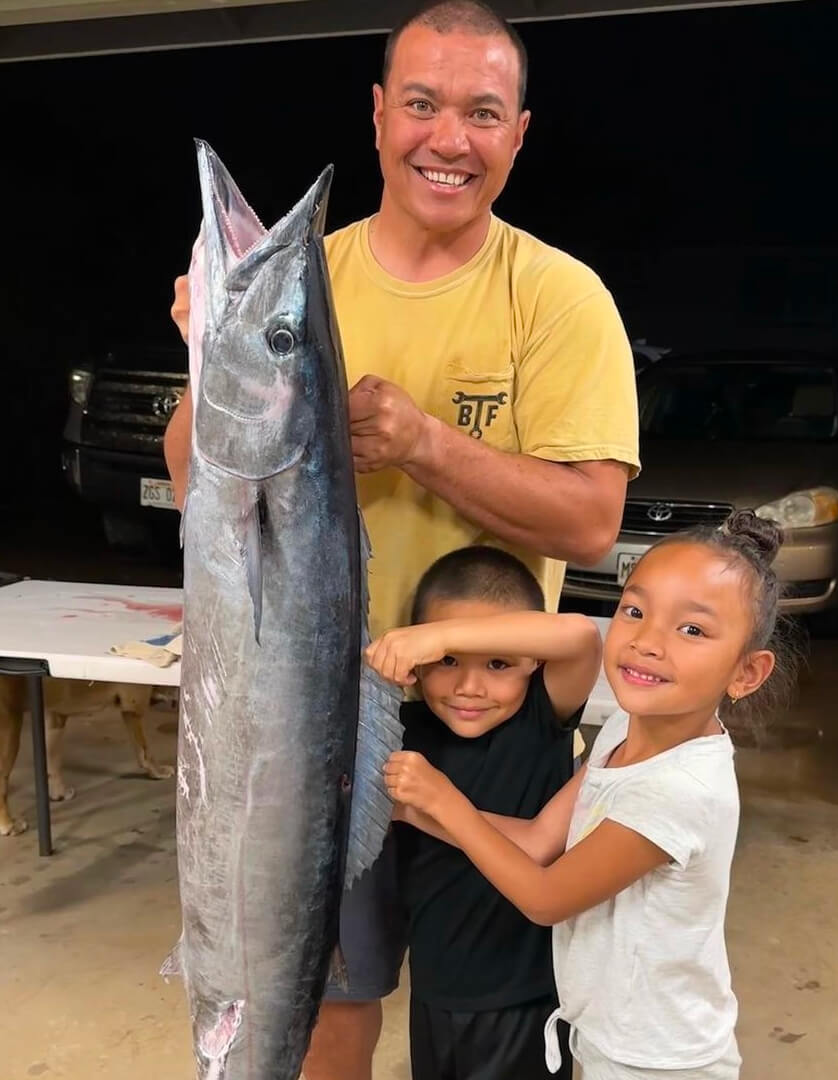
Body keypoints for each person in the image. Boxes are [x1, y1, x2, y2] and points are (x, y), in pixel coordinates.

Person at [163, 2, 640, 1076]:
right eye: (422, 103)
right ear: (379, 114)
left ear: (520, 132)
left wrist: (426, 445)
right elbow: (199, 480)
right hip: (308, 721)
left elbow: (592, 521)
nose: (449, 139)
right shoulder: (305, 282)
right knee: (327, 996)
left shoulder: (560, 298)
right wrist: (211, 357)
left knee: (491, 1009)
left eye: (483, 112)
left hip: (493, 717)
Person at [382, 511, 797, 1080]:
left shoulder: (677, 791)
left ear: (747, 673)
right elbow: (536, 841)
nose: (648, 642)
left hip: (658, 1061)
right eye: (635, 612)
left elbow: (546, 897)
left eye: (692, 630)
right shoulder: (629, 730)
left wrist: (443, 796)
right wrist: (413, 807)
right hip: (606, 1036)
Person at [363, 545, 603, 1080]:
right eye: (448, 663)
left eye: (498, 664)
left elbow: (583, 638)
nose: (470, 688)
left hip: (523, 1000)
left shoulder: (541, 719)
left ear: (533, 663)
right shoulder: (403, 729)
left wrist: (443, 638)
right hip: (434, 993)